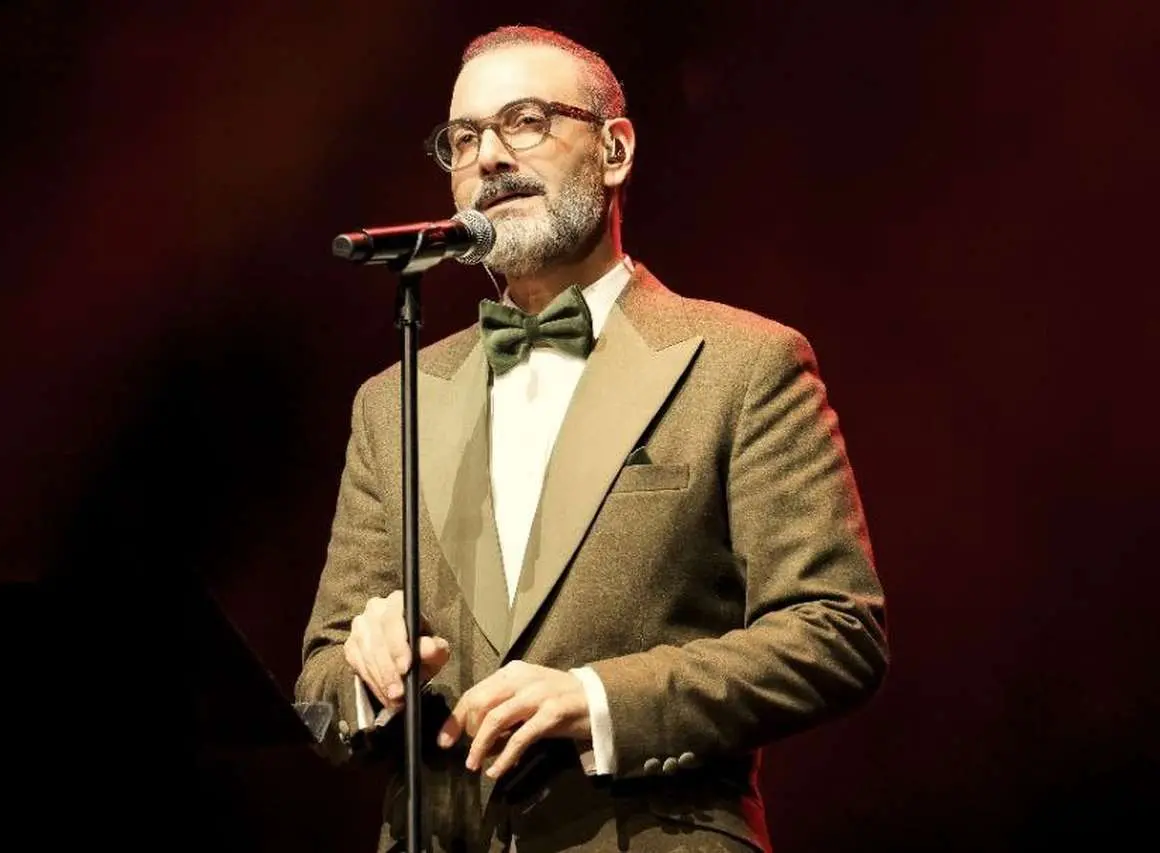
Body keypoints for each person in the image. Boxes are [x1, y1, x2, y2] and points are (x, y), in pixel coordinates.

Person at [295, 24, 889, 852]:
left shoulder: (745, 362)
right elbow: (319, 687)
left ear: (614, 150)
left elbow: (836, 632)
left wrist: (601, 700)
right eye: (463, 138)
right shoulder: (393, 399)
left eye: (525, 121)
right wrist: (366, 676)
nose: (489, 156)